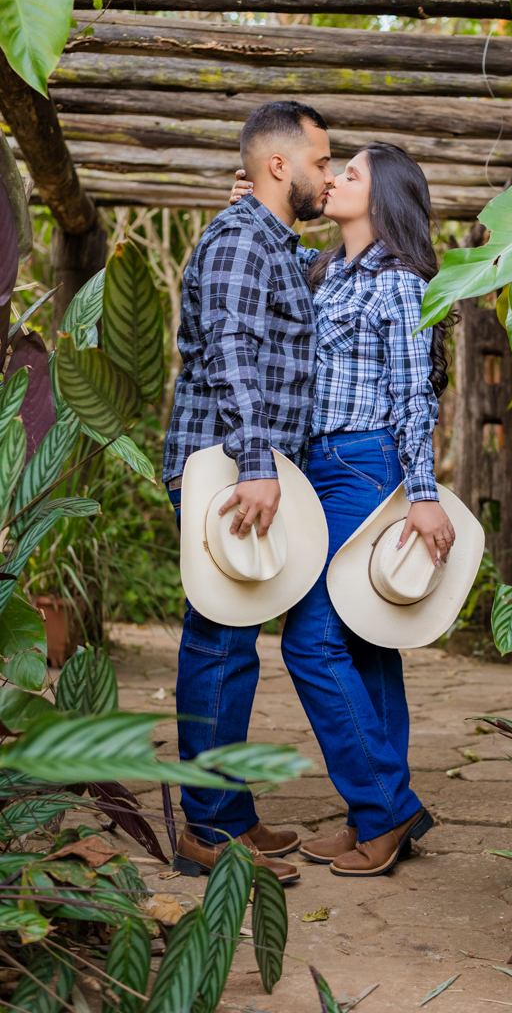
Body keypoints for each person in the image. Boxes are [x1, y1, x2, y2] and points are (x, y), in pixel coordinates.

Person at [228, 141, 456, 877]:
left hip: (363, 463)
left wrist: (421, 492)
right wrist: (251, 209)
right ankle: (380, 814)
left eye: (348, 172)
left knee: (310, 642)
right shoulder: (325, 272)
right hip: (317, 465)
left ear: (383, 196)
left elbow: (413, 395)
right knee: (362, 638)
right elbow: (273, 263)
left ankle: (384, 812)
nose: (331, 179)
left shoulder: (397, 284)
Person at [162, 100, 335, 882]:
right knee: (219, 641)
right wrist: (259, 465)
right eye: (322, 162)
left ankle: (227, 810)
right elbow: (231, 349)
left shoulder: (266, 240)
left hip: (244, 464)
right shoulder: (240, 238)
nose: (327, 177)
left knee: (234, 643)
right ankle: (205, 827)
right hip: (228, 467)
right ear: (279, 165)